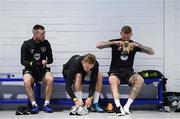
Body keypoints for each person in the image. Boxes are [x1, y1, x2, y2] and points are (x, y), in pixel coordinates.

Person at [96, 25, 154, 116]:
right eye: (124, 37)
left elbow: (152, 52)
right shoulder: (115, 42)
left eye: (128, 37)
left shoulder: (133, 44)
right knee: (112, 81)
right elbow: (98, 45)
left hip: (129, 72)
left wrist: (137, 45)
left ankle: (126, 107)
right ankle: (118, 107)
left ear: (131, 35)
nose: (125, 39)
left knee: (140, 80)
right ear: (121, 34)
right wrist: (114, 43)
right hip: (115, 71)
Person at [20, 24, 54, 114]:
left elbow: (51, 59)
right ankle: (34, 105)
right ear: (35, 34)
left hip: (42, 70)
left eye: (44, 33)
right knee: (26, 81)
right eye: (42, 34)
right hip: (31, 70)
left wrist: (45, 61)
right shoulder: (26, 44)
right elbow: (22, 61)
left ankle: (46, 104)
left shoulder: (46, 43)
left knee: (50, 79)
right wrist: (32, 63)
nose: (44, 36)